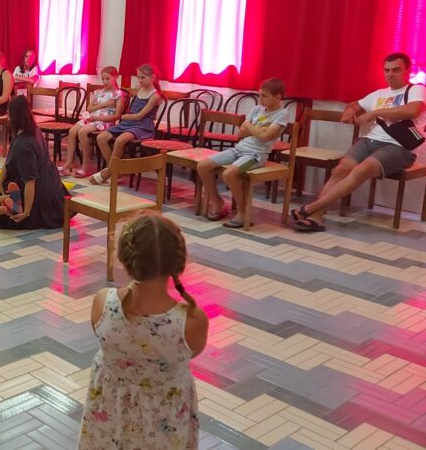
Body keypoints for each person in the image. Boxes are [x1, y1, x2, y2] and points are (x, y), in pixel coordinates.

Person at [78, 213, 208, 450]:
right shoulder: (191, 322)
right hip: (164, 426)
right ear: (178, 261)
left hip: (110, 418)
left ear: (124, 257)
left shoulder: (103, 304)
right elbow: (193, 351)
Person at [292, 53, 426, 232]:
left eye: (396, 70)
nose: (390, 74)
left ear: (407, 71)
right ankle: (316, 216)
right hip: (370, 140)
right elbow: (356, 104)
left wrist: (374, 113)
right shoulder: (379, 94)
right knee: (341, 169)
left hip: (398, 147)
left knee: (361, 170)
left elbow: (412, 110)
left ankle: (310, 208)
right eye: (386, 70)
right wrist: (349, 110)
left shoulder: (416, 89)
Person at [198, 78, 289, 228]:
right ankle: (217, 201)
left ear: (278, 97)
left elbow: (265, 137)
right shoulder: (256, 110)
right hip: (239, 148)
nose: (260, 98)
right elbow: (240, 133)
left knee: (229, 174)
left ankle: (243, 211)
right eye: (259, 94)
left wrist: (251, 127)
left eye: (264, 96)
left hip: (255, 155)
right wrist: (259, 130)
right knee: (203, 166)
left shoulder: (282, 114)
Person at [0, 95, 68, 229]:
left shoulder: (24, 144)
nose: (7, 117)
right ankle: (9, 201)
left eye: (9, 114)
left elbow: (30, 181)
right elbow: (9, 161)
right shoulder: (32, 129)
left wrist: (26, 212)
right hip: (49, 180)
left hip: (39, 187)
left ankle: (12, 204)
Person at [93, 64, 164, 185]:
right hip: (129, 123)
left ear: (153, 77)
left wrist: (123, 116)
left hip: (142, 126)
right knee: (101, 137)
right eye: (138, 77)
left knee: (120, 140)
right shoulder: (139, 89)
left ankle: (109, 172)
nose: (139, 80)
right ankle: (116, 170)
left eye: (143, 77)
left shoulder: (155, 96)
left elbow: (139, 116)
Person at [60, 66, 126, 178]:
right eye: (103, 79)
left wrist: (98, 118)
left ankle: (85, 165)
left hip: (104, 120)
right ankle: (69, 162)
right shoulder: (98, 92)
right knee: (72, 131)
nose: (104, 81)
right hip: (92, 117)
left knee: (82, 132)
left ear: (116, 77)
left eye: (107, 78)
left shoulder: (119, 95)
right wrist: (104, 104)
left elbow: (117, 116)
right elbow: (90, 109)